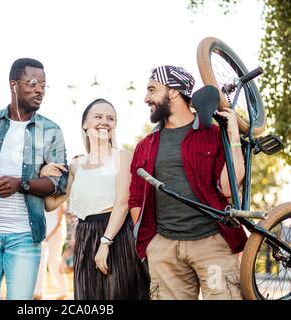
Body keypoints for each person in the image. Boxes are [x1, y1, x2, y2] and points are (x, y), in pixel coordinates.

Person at [129, 65, 247, 300]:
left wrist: (234, 138)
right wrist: (153, 244)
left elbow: (228, 187)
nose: (146, 98)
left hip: (212, 245)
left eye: (152, 90)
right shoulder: (145, 145)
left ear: (173, 92)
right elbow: (134, 197)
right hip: (165, 250)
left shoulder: (212, 135)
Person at [0, 58, 68, 300]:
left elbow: (57, 184)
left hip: (25, 237)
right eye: (33, 82)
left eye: (44, 84)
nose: (40, 89)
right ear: (14, 85)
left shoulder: (51, 131)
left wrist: (20, 184)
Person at [40, 98, 150, 300]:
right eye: (98, 116)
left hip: (116, 234)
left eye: (111, 118)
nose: (105, 122)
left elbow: (123, 203)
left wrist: (105, 243)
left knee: (119, 294)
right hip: (85, 236)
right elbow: (50, 204)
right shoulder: (76, 165)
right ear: (84, 124)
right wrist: (44, 173)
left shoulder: (122, 157)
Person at [33, 204, 68, 300]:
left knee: (54, 261)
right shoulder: (42, 197)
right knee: (41, 262)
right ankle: (38, 292)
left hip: (56, 233)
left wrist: (48, 236)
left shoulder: (60, 200)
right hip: (44, 233)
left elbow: (59, 222)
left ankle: (63, 291)